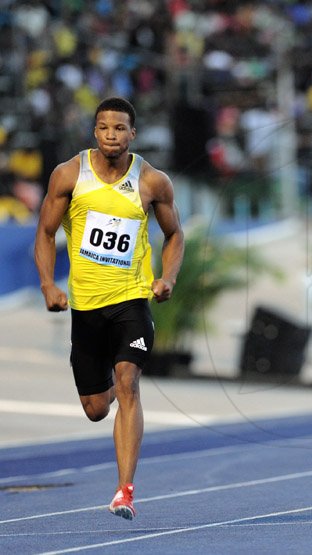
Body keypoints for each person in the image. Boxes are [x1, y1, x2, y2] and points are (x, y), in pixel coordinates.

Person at [34, 97, 185, 520]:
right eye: (104, 128)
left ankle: (124, 490)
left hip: (131, 300)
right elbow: (45, 233)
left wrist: (167, 277)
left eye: (120, 129)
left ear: (132, 134)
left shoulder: (152, 182)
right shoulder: (69, 175)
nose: (111, 136)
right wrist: (48, 283)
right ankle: (113, 407)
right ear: (94, 132)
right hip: (85, 306)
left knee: (128, 382)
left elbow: (176, 236)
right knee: (97, 408)